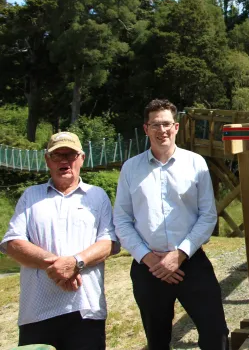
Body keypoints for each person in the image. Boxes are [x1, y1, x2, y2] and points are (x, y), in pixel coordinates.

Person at [113, 99, 229, 350]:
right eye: (155, 124)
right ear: (146, 129)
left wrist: (179, 254)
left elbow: (208, 215)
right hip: (148, 267)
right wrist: (149, 259)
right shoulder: (130, 169)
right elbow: (121, 220)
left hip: (191, 261)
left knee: (216, 333)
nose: (161, 130)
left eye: (166, 124)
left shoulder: (196, 163)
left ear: (176, 127)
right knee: (157, 340)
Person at [0, 132, 118, 350]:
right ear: (47, 160)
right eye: (57, 155)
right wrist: (57, 264)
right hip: (36, 311)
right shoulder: (30, 196)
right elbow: (13, 243)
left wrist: (75, 262)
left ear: (82, 158)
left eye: (70, 154)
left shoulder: (97, 195)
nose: (64, 160)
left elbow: (109, 241)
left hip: (86, 308)